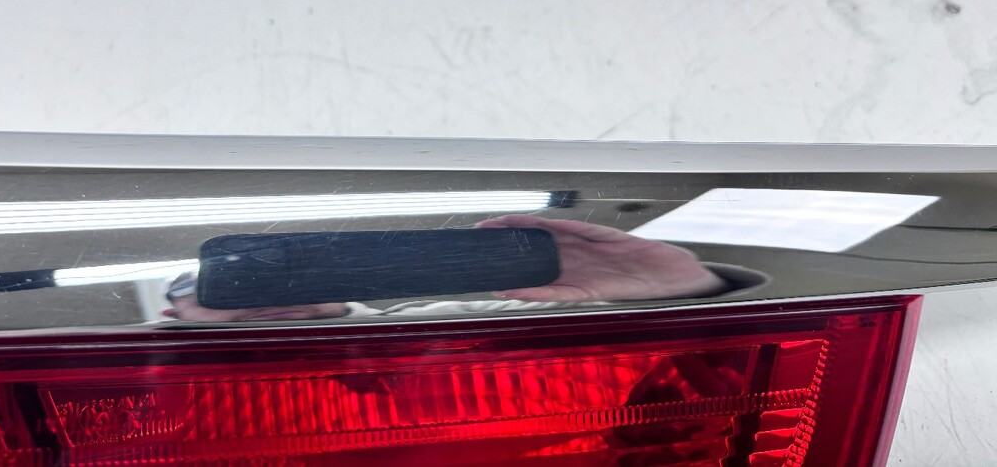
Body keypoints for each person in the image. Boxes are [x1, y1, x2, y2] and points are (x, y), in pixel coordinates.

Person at [162, 215, 767, 323]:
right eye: (226, 284)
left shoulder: (449, 316)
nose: (265, 295)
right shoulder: (141, 401)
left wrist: (667, 286)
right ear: (173, 316)